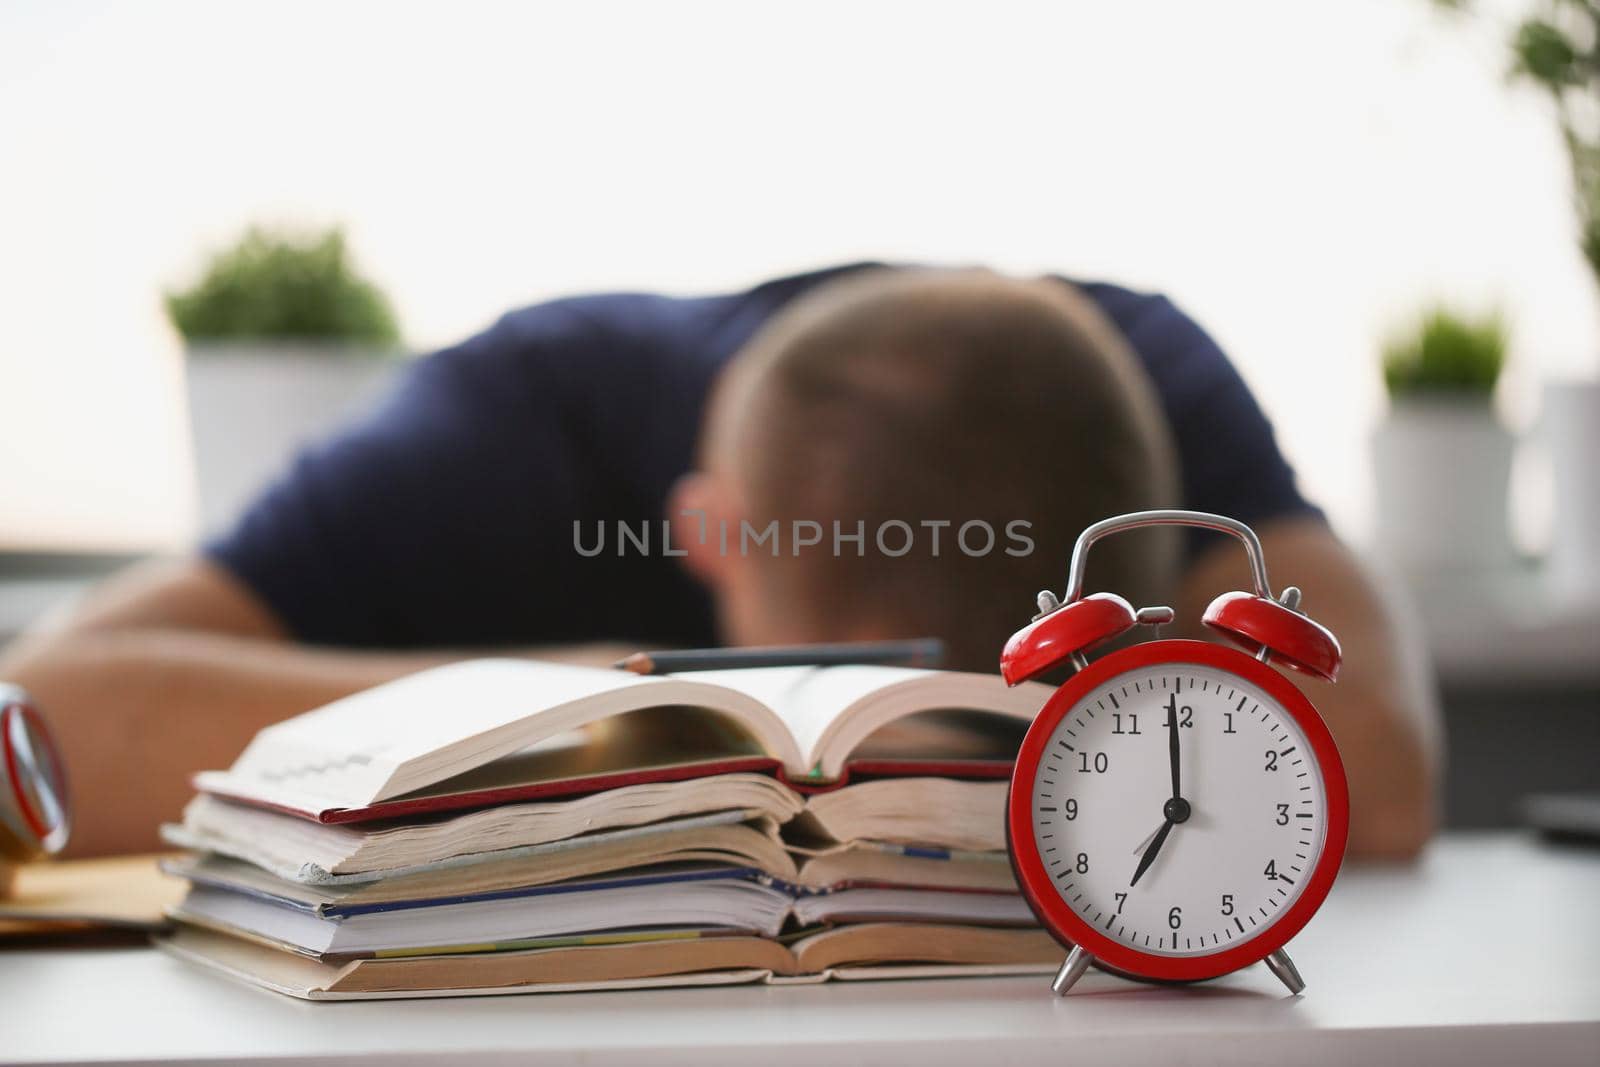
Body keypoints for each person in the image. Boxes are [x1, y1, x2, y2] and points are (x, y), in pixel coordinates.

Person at [0, 264, 1439, 859]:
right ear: (699, 534)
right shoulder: (502, 429)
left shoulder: (1139, 381)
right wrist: (626, 712)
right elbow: (40, 718)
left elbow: (1377, 767)